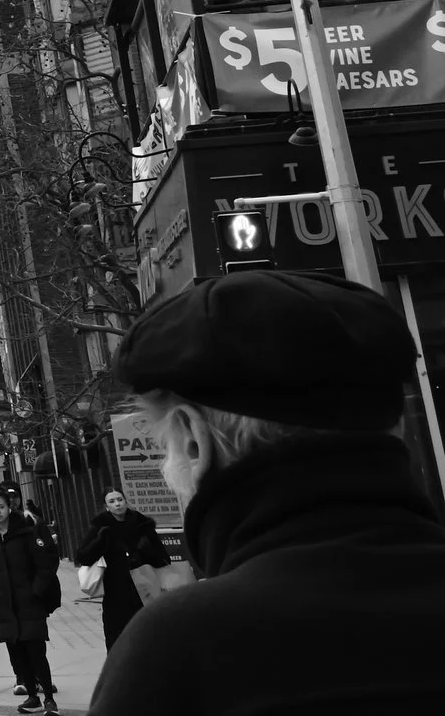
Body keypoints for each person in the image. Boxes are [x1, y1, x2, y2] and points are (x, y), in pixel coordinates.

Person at [90, 270, 445, 716]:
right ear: (397, 427)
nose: (166, 468)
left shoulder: (179, 649)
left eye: (165, 448)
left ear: (193, 440)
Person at [0, 491, 63, 714]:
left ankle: (49, 700)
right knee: (18, 651)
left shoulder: (25, 529)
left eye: (1, 507)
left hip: (28, 600)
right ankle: (32, 697)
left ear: (9, 507)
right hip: (5, 602)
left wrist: (36, 590)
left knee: (35, 649)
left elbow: (45, 562)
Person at [72, 489, 168, 651]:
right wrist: (100, 541)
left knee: (147, 637)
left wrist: (145, 551)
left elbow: (163, 559)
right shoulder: (101, 527)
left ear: (126, 501)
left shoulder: (142, 523)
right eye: (112, 501)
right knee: (118, 639)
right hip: (115, 592)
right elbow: (83, 557)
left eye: (119, 499)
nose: (117, 504)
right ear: (106, 506)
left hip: (144, 590)